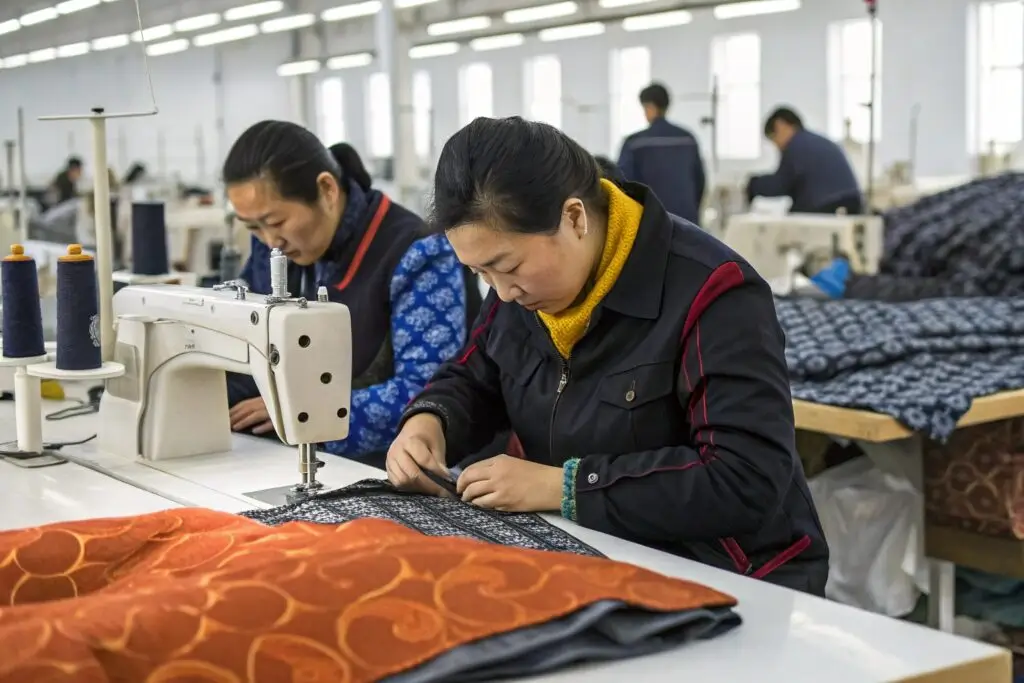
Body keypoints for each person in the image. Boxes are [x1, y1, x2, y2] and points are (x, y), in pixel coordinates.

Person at [385, 116, 829, 595]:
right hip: (596, 555)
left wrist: (565, 487)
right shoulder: (523, 290)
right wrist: (430, 422)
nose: (502, 292)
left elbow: (745, 477)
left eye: (506, 267)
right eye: (481, 274)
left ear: (574, 217)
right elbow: (476, 374)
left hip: (733, 579)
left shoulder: (714, 293)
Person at [221, 121, 467, 466]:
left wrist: (304, 410)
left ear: (327, 189)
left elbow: (429, 389)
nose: (269, 240)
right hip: (290, 451)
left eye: (276, 222)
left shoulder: (416, 251)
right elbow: (243, 340)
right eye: (253, 228)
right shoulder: (272, 248)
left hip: (400, 464)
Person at [616, 83, 705, 225]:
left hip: (652, 223)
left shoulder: (634, 144)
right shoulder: (688, 139)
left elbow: (622, 185)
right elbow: (700, 182)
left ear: (650, 107)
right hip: (688, 223)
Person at [747, 107, 863, 214]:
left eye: (774, 138)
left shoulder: (796, 145)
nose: (776, 146)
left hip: (827, 206)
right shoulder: (816, 141)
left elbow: (782, 183)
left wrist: (753, 184)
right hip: (852, 204)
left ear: (780, 126)